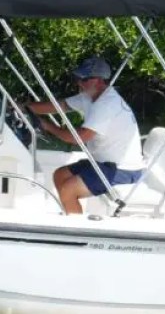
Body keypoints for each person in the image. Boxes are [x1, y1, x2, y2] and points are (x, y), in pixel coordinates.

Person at [25, 56, 144, 214]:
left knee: (69, 190)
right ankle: (72, 215)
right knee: (60, 175)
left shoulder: (107, 104)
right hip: (102, 163)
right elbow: (60, 106)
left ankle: (77, 236)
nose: (79, 83)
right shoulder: (90, 96)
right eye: (78, 78)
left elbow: (79, 138)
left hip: (123, 170)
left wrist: (47, 126)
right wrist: (24, 107)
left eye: (84, 79)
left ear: (100, 80)